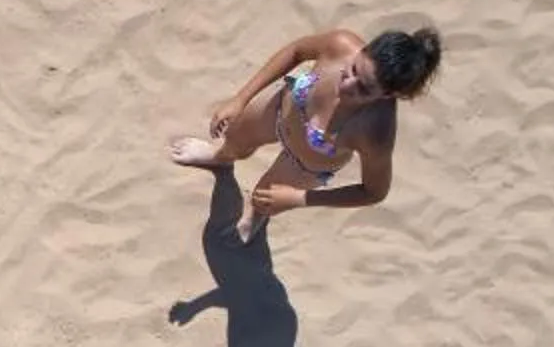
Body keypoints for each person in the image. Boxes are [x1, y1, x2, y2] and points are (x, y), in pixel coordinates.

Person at [168, 26, 442, 241]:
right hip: (281, 111)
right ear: (362, 50)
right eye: (354, 70)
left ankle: (255, 218)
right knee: (236, 140)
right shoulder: (340, 44)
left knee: (264, 197)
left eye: (364, 89)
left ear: (389, 95)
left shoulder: (377, 132)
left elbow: (373, 192)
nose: (347, 85)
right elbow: (296, 51)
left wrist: (299, 199)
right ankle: (220, 158)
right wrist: (241, 98)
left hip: (307, 163)